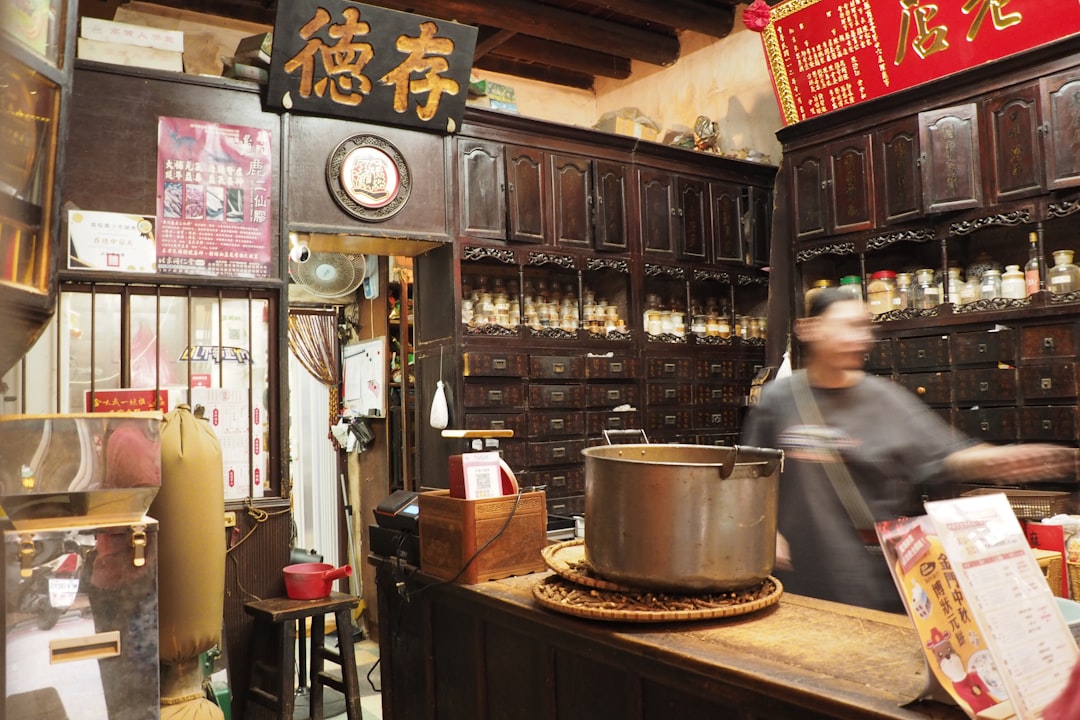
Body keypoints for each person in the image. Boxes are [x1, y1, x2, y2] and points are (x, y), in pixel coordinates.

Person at [740, 288, 1076, 612]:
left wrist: (1007, 460)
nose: (860, 338)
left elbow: (947, 455)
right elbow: (747, 479)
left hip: (867, 580)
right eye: (847, 326)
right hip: (794, 577)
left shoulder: (886, 400)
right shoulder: (778, 401)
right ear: (809, 328)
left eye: (863, 328)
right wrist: (765, 533)